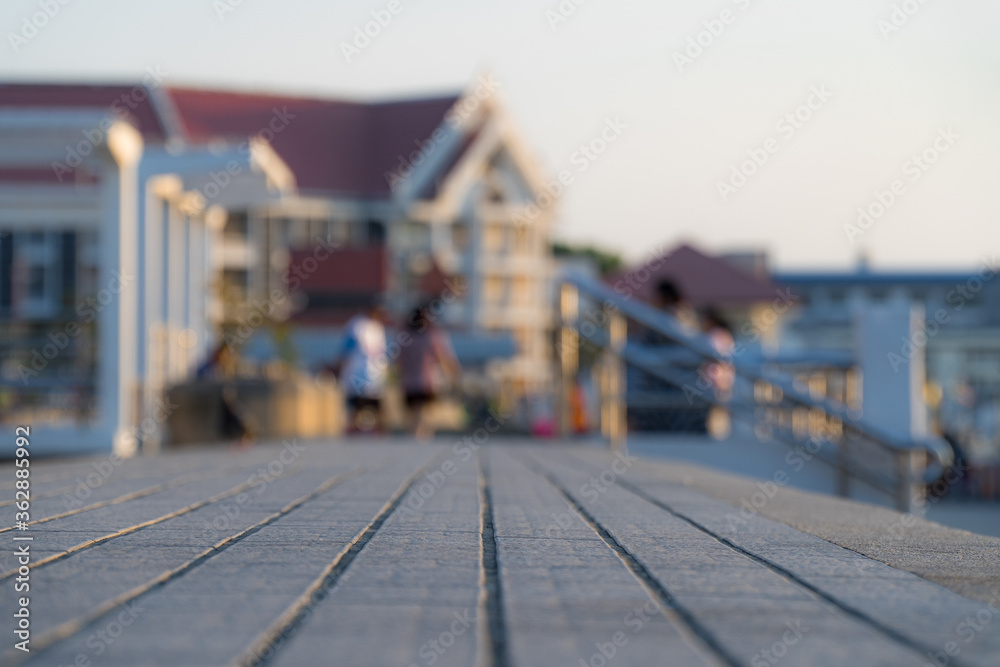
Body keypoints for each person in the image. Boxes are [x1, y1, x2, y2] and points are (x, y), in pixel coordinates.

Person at [398, 304, 460, 440]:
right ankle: (420, 438)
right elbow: (443, 356)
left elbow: (398, 361)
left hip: (408, 382)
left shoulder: (405, 337)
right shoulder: (431, 336)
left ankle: (414, 437)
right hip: (427, 381)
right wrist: (453, 372)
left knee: (413, 415)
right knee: (424, 414)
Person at [335, 304, 388, 433]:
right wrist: (339, 368)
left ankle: (376, 434)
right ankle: (355, 433)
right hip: (357, 374)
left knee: (375, 409)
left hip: (372, 377)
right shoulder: (357, 325)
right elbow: (346, 350)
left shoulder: (375, 326)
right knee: (356, 408)